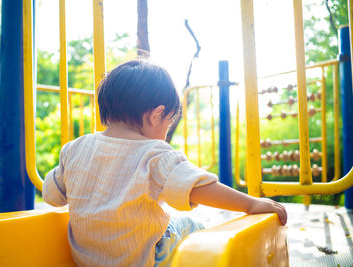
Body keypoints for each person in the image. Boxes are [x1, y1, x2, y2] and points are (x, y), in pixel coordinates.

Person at [43, 59, 287, 267]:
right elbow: (197, 186)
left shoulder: (74, 149)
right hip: (147, 259)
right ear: (156, 114)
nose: (166, 131)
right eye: (168, 123)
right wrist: (251, 204)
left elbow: (52, 196)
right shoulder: (154, 153)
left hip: (87, 261)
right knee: (190, 224)